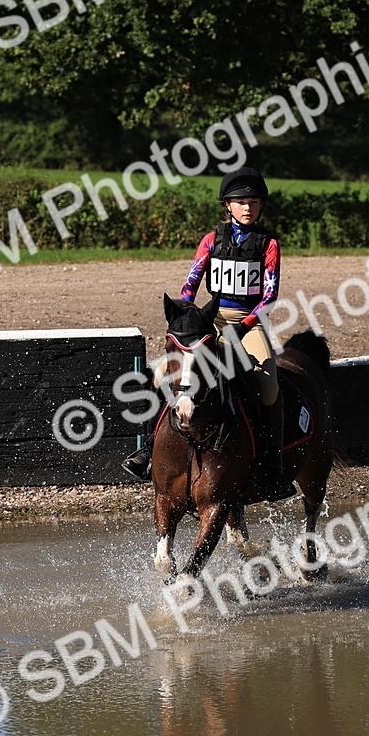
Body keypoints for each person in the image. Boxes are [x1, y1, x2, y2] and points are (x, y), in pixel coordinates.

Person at [122, 166, 296, 501]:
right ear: (227, 206)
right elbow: (189, 287)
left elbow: (269, 297)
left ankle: (272, 465)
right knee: (161, 376)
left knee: (270, 386)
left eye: (254, 202)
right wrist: (187, 321)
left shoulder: (269, 244)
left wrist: (243, 328)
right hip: (210, 322)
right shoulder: (210, 241)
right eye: (241, 202)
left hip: (248, 323)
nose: (248, 207)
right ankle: (146, 453)